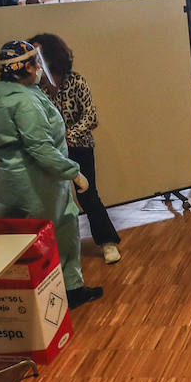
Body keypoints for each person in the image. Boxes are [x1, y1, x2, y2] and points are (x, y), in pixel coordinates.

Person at [0, 40, 102, 309]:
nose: (39, 68)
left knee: (16, 239)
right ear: (24, 68)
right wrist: (74, 173)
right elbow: (40, 147)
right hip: (40, 180)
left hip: (9, 178)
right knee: (59, 231)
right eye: (35, 63)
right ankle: (69, 291)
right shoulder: (25, 102)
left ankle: (28, 298)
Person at [30, 33, 123, 265]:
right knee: (53, 200)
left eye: (39, 55)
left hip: (79, 146)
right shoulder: (34, 89)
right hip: (51, 150)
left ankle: (108, 242)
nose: (36, 61)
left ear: (52, 55)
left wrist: (70, 134)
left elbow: (91, 116)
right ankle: (58, 251)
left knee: (88, 195)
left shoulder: (76, 81)